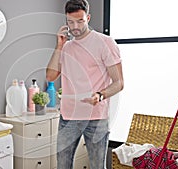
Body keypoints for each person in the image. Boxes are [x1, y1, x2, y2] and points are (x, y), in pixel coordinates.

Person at [46, 0, 124, 168]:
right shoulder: (66, 47)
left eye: (80, 21)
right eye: (70, 21)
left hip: (96, 117)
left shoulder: (105, 43)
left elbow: (119, 83)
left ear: (88, 18)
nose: (75, 26)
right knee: (62, 165)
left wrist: (100, 95)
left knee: (97, 165)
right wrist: (59, 45)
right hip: (68, 117)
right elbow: (50, 76)